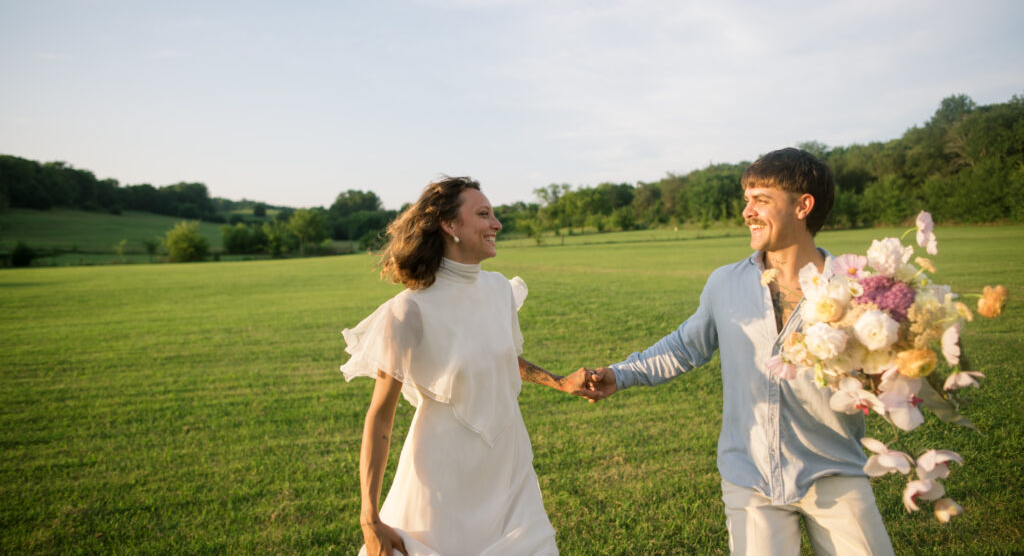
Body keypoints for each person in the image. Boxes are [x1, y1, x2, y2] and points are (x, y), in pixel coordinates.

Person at [583, 148, 896, 556]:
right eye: (746, 198)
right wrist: (619, 374)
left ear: (803, 206)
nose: (747, 211)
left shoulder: (857, 290)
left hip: (834, 470)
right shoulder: (724, 283)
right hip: (750, 477)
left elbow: (890, 370)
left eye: (761, 199)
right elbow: (684, 347)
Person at [341, 176, 588, 556]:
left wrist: (560, 382)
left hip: (509, 469)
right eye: (484, 214)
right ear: (450, 225)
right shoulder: (408, 312)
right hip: (441, 486)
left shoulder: (500, 290)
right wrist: (369, 518)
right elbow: (380, 418)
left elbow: (500, 357)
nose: (497, 224)